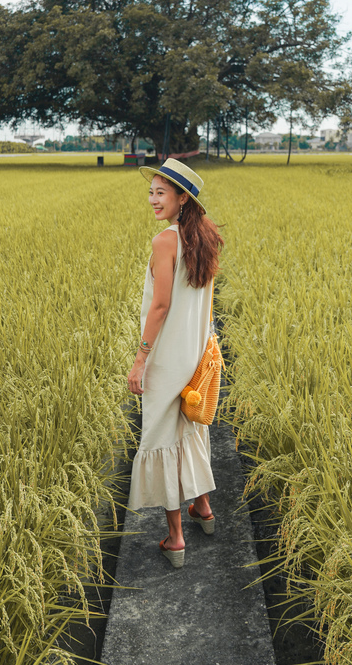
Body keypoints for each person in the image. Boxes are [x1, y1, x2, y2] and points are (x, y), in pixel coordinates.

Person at [127, 158, 224, 568]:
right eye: (151, 191)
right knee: (189, 432)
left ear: (182, 197)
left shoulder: (165, 241)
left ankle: (175, 537)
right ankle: (202, 509)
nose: (152, 198)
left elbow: (161, 305)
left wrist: (140, 358)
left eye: (161, 192)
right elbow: (204, 303)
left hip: (167, 356)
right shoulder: (205, 237)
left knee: (162, 436)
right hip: (194, 350)